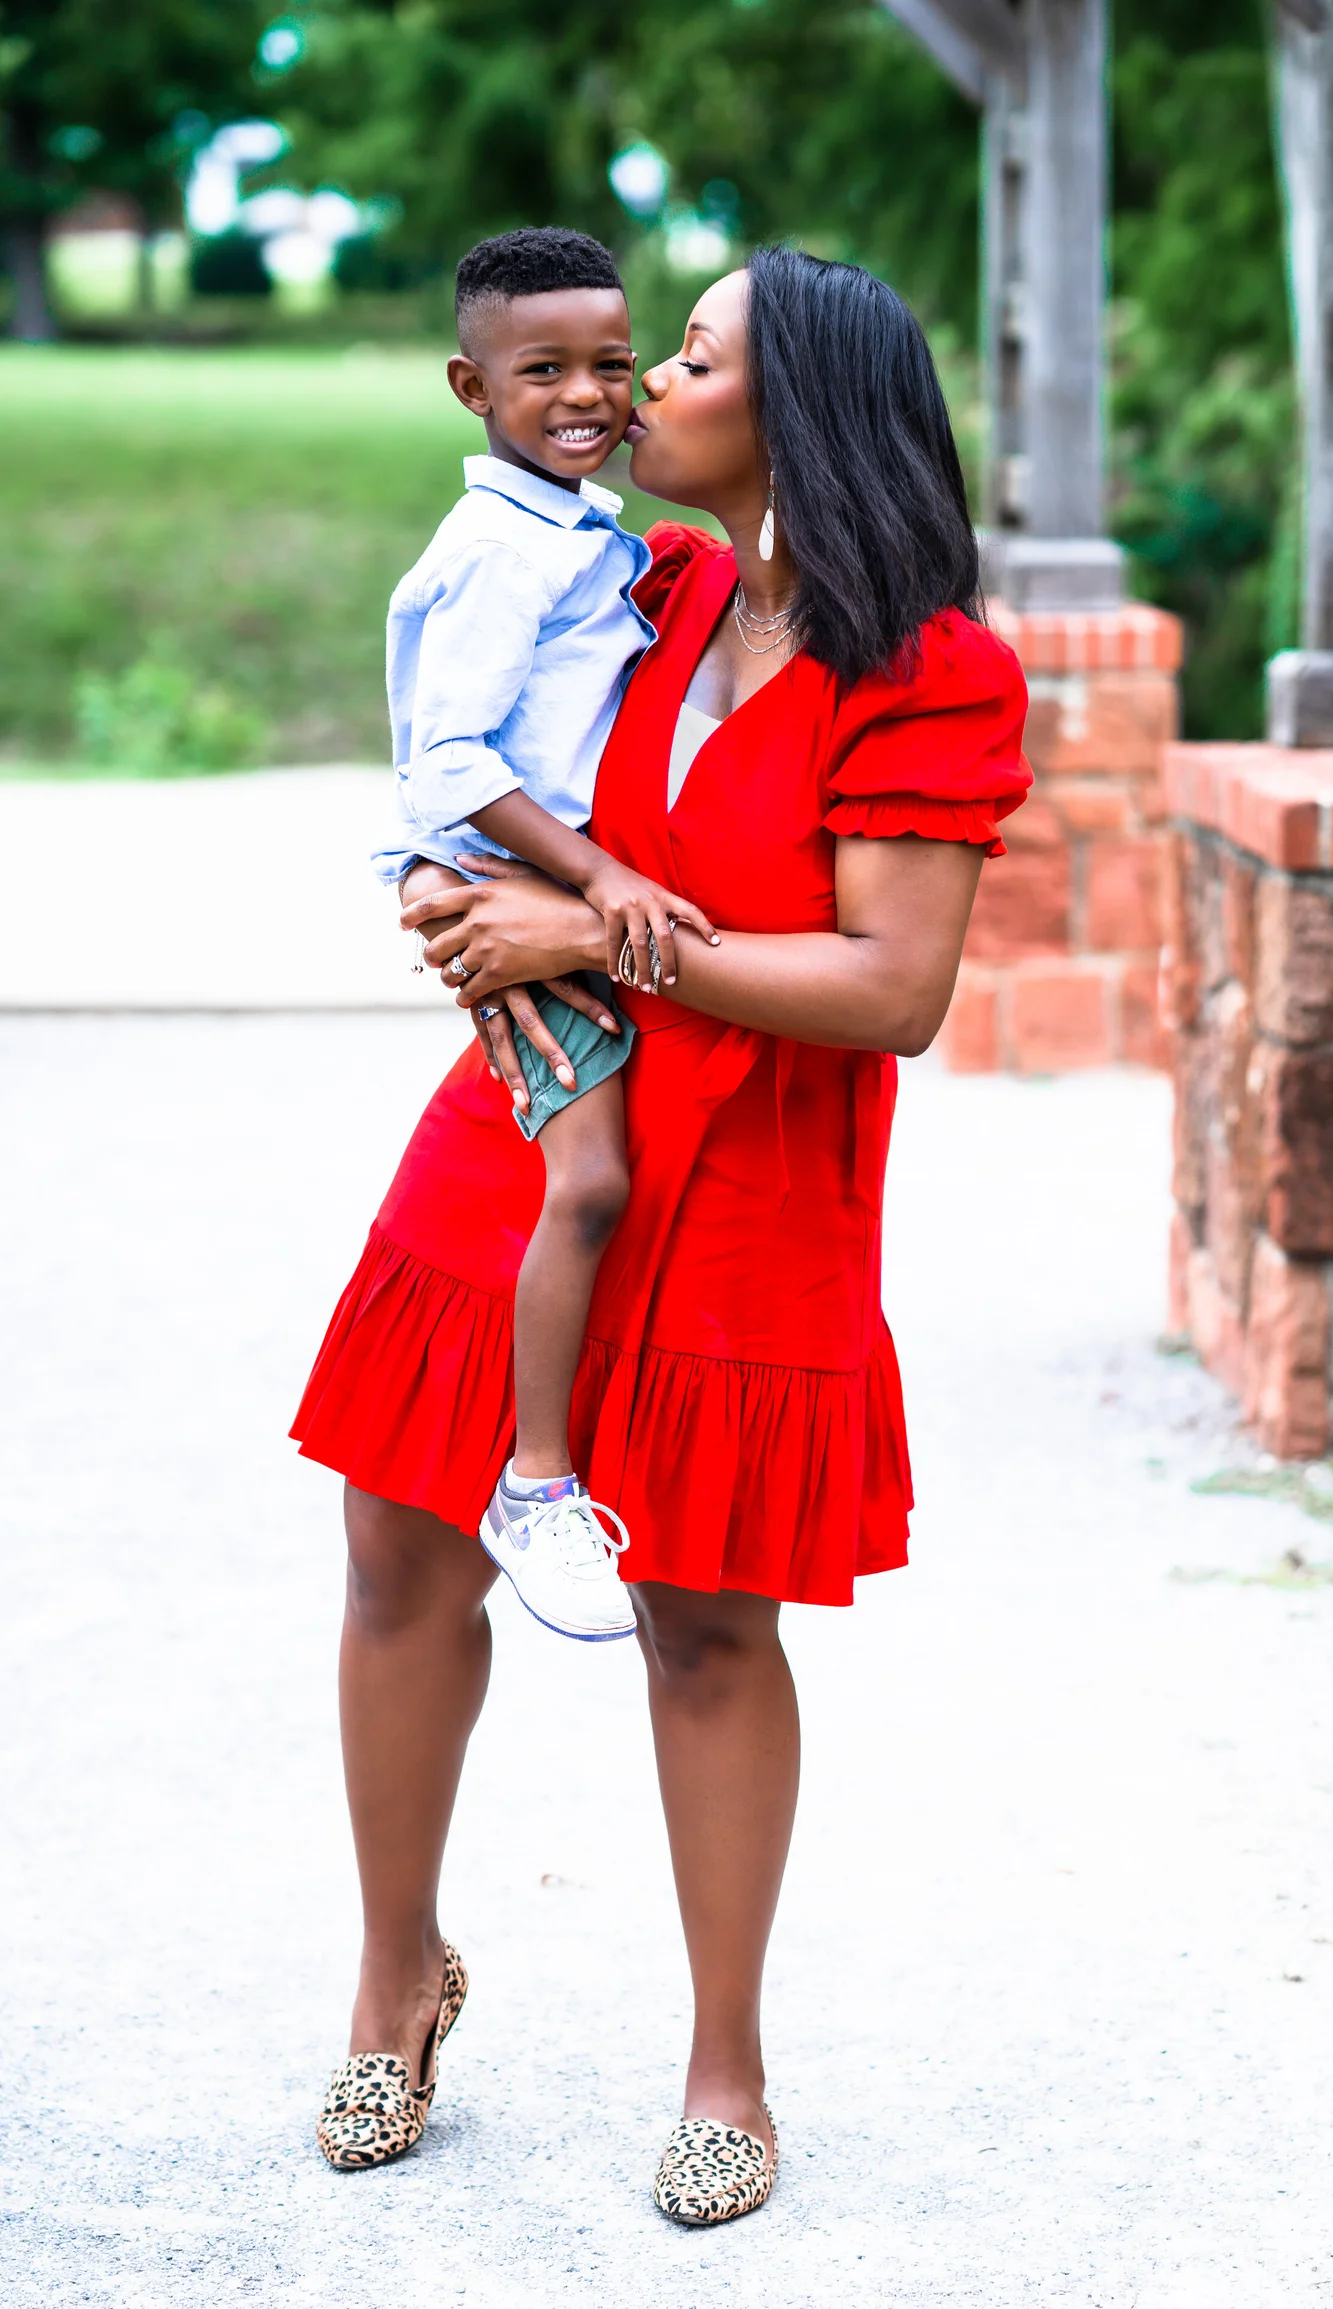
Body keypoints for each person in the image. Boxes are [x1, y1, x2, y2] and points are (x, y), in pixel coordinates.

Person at [293, 245, 1031, 2217]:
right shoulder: (646, 584)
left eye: (686, 362)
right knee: (398, 1549)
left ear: (794, 417)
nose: (640, 392)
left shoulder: (930, 669)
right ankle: (394, 1980)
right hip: (538, 1129)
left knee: (705, 1617)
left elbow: (893, 989)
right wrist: (467, 901)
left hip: (761, 1172)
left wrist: (590, 929)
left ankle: (726, 2067)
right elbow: (475, 756)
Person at [375, 224, 716, 1644]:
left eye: (614, 365)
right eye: (544, 371)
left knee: (605, 1178)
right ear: (472, 388)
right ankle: (537, 1483)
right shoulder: (499, 552)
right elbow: (450, 757)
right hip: (513, 887)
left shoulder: (574, 532)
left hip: (547, 885)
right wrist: (597, 881)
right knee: (587, 1184)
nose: (588, 394)